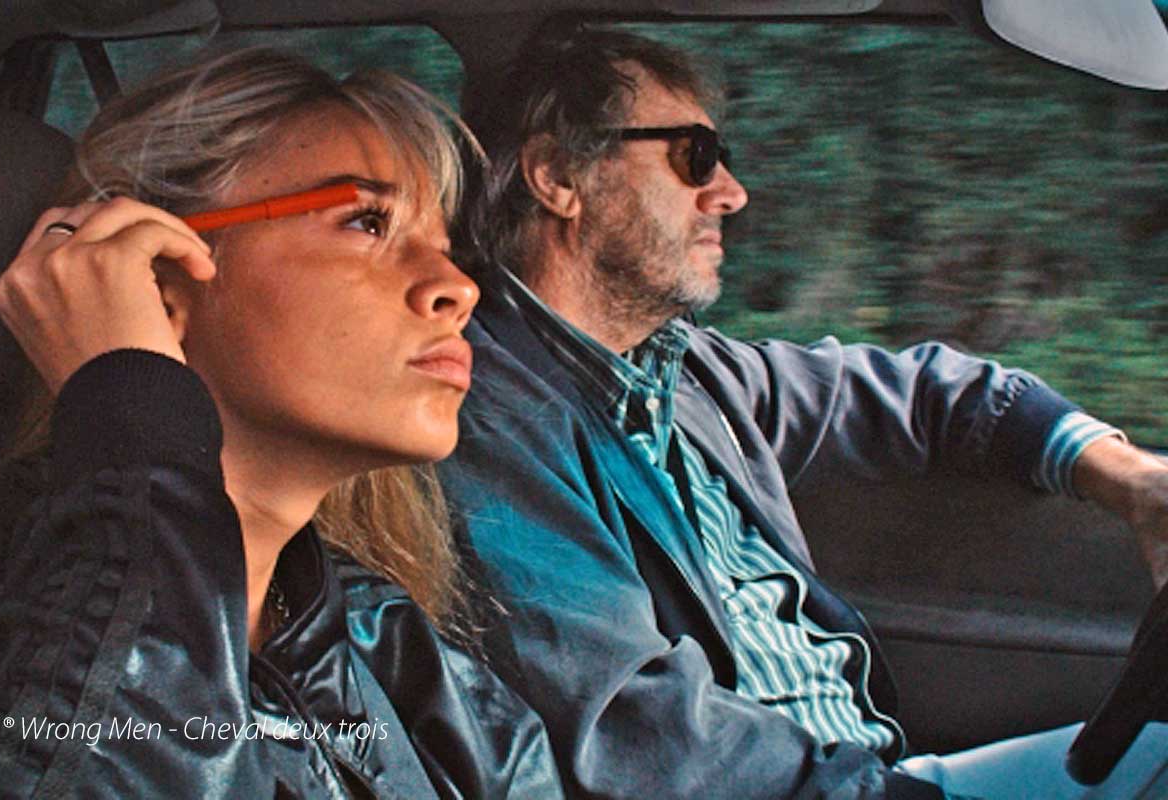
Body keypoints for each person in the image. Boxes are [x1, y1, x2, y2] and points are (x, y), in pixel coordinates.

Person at [436, 27, 1168, 799]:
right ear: (558, 177)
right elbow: (643, 737)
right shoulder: (481, 421)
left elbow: (931, 395)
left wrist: (1132, 479)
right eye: (694, 157)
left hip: (871, 774)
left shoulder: (691, 373)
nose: (730, 194)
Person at [0, 47, 563, 799]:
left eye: (445, 249)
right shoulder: (14, 645)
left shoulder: (395, 651)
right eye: (367, 222)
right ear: (156, 278)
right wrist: (132, 407)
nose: (458, 288)